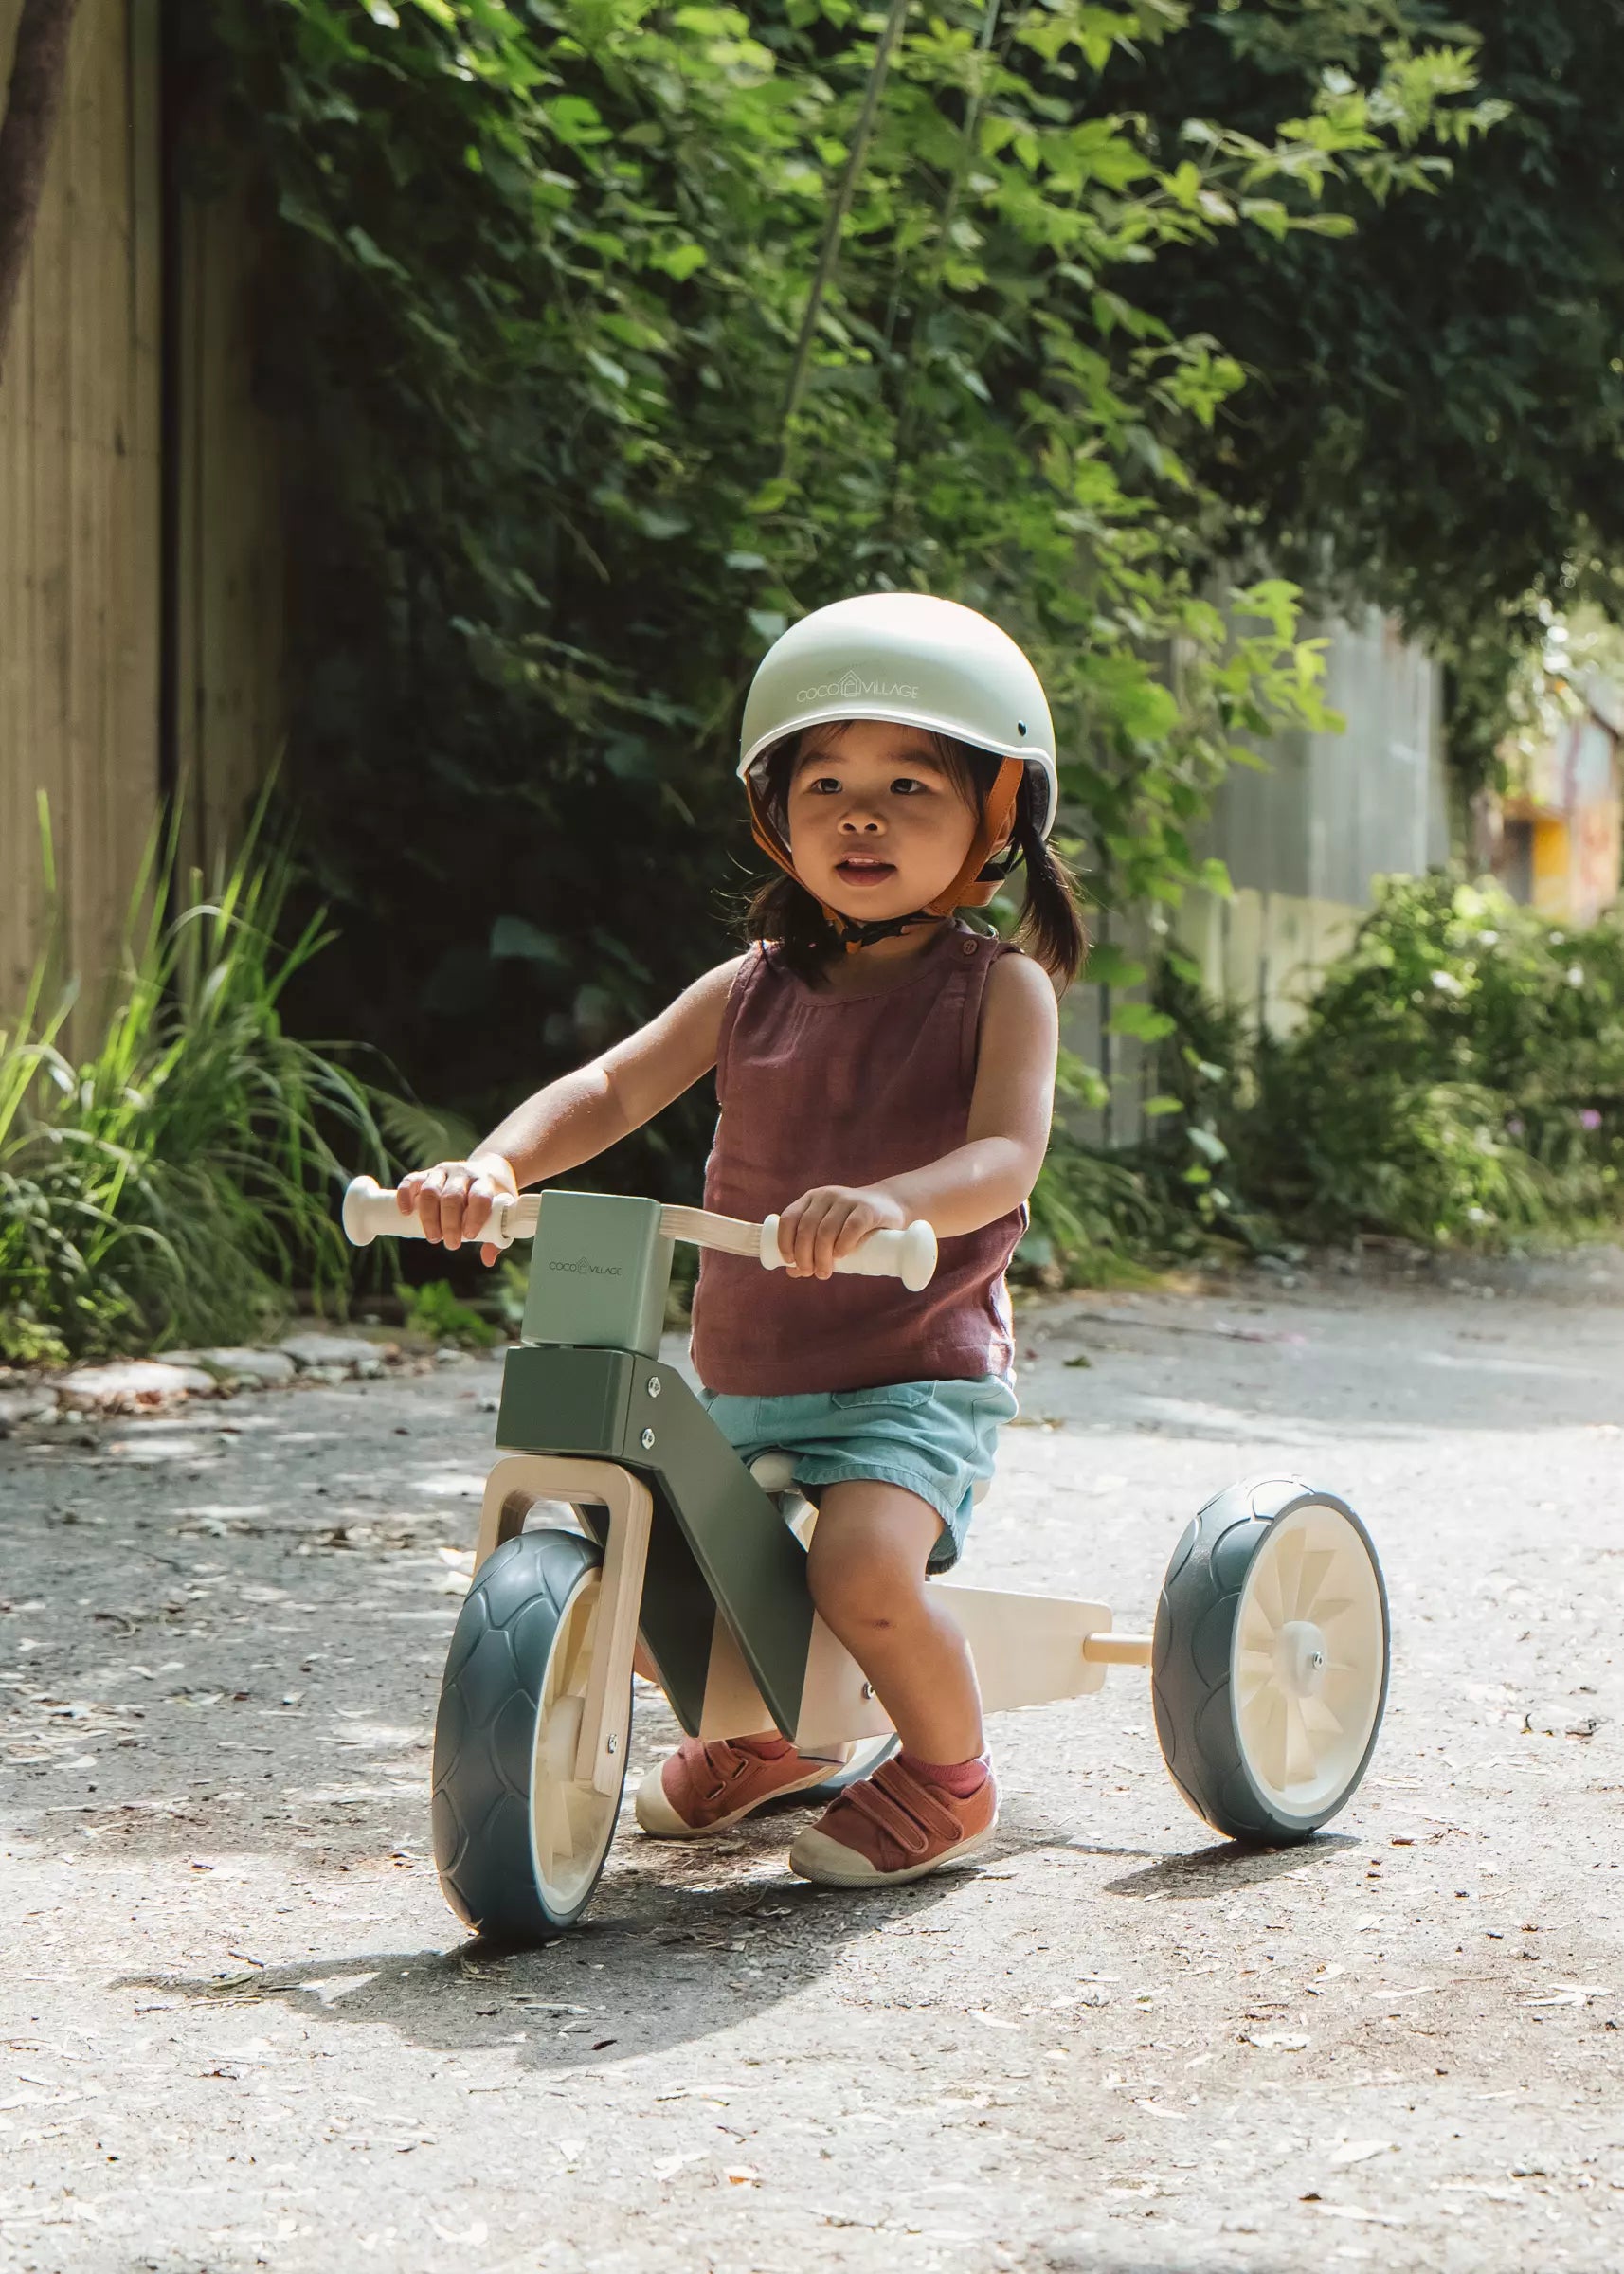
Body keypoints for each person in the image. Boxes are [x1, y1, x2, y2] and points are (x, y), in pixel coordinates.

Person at [397, 593, 1086, 1887]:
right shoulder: (748, 985)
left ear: (995, 821)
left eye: (908, 784)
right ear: (778, 815)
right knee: (657, 1588)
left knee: (861, 1570)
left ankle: (948, 1777)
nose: (860, 813)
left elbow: (1005, 1159)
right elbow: (605, 1091)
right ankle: (771, 1731)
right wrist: (490, 1164)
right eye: (823, 780)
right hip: (749, 1373)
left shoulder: (999, 991)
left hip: (908, 1369)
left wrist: (892, 1203)